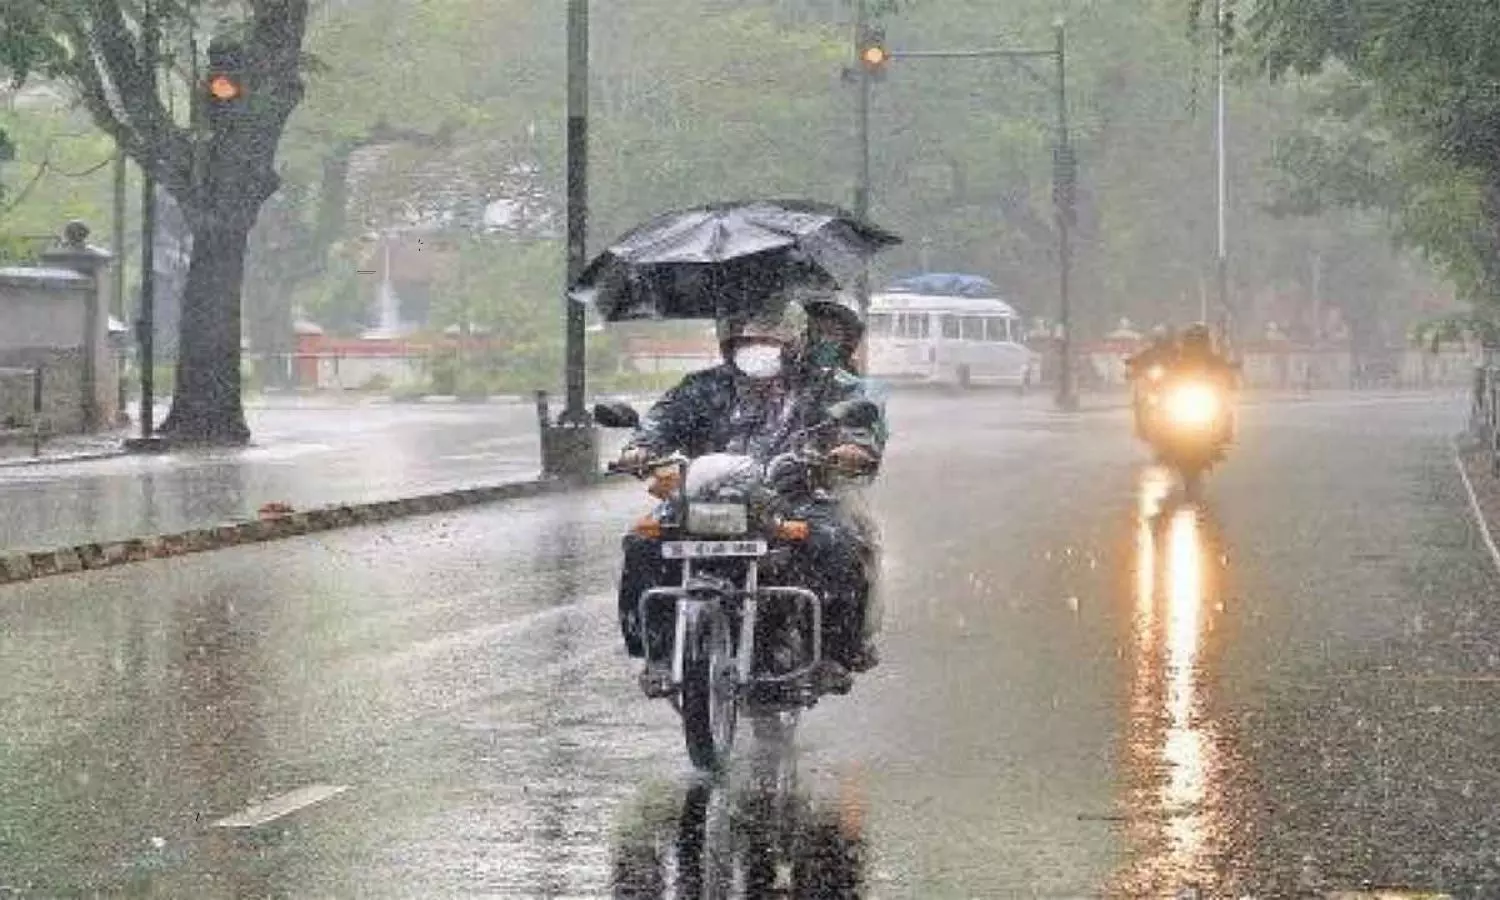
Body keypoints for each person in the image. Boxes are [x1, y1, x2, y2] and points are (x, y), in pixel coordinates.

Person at [614, 298, 887, 694]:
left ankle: (832, 654)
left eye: (770, 338)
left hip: (794, 495)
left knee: (836, 544)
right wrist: (639, 448)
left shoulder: (823, 386)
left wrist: (850, 448)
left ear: (794, 341)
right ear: (731, 343)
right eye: (749, 339)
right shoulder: (703, 387)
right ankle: (656, 654)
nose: (758, 347)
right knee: (643, 544)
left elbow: (857, 425)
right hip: (707, 496)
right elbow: (661, 423)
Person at [1126, 325, 1178, 440]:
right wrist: (1132, 367)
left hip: (1170, 384)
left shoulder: (1175, 351)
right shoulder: (1148, 351)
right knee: (1139, 397)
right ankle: (1141, 426)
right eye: (1158, 338)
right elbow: (1136, 361)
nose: (1160, 340)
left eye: (1162, 337)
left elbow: (1184, 362)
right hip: (1150, 383)